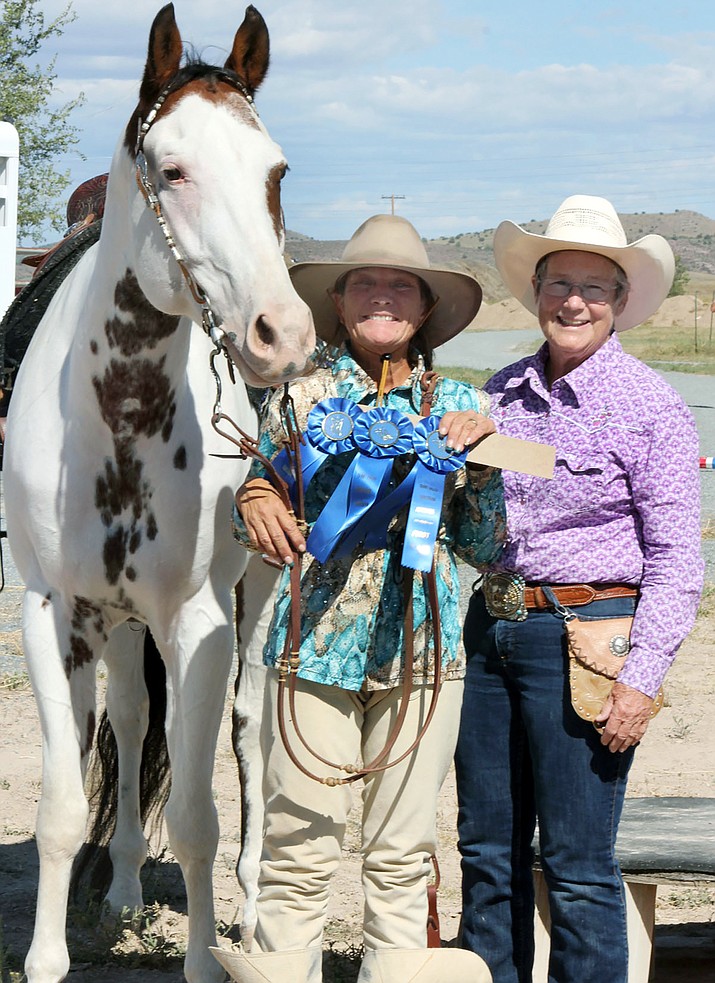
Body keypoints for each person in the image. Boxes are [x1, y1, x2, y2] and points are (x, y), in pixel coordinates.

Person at [218, 214, 505, 983]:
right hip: (313, 641)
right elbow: (264, 494)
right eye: (365, 284)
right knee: (297, 842)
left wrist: (478, 470)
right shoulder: (296, 396)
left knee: (403, 847)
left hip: (426, 645)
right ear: (339, 305)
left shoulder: (463, 406)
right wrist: (250, 500)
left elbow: (481, 547)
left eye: (400, 285)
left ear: (423, 309)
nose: (383, 296)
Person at [454, 194, 704, 983]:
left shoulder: (651, 406)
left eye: (593, 287)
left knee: (574, 859)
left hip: (586, 637)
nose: (572, 301)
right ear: (534, 293)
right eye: (558, 283)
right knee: (485, 849)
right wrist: (458, 467)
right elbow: (471, 536)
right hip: (491, 629)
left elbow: (675, 559)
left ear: (620, 301)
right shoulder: (496, 392)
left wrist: (639, 678)